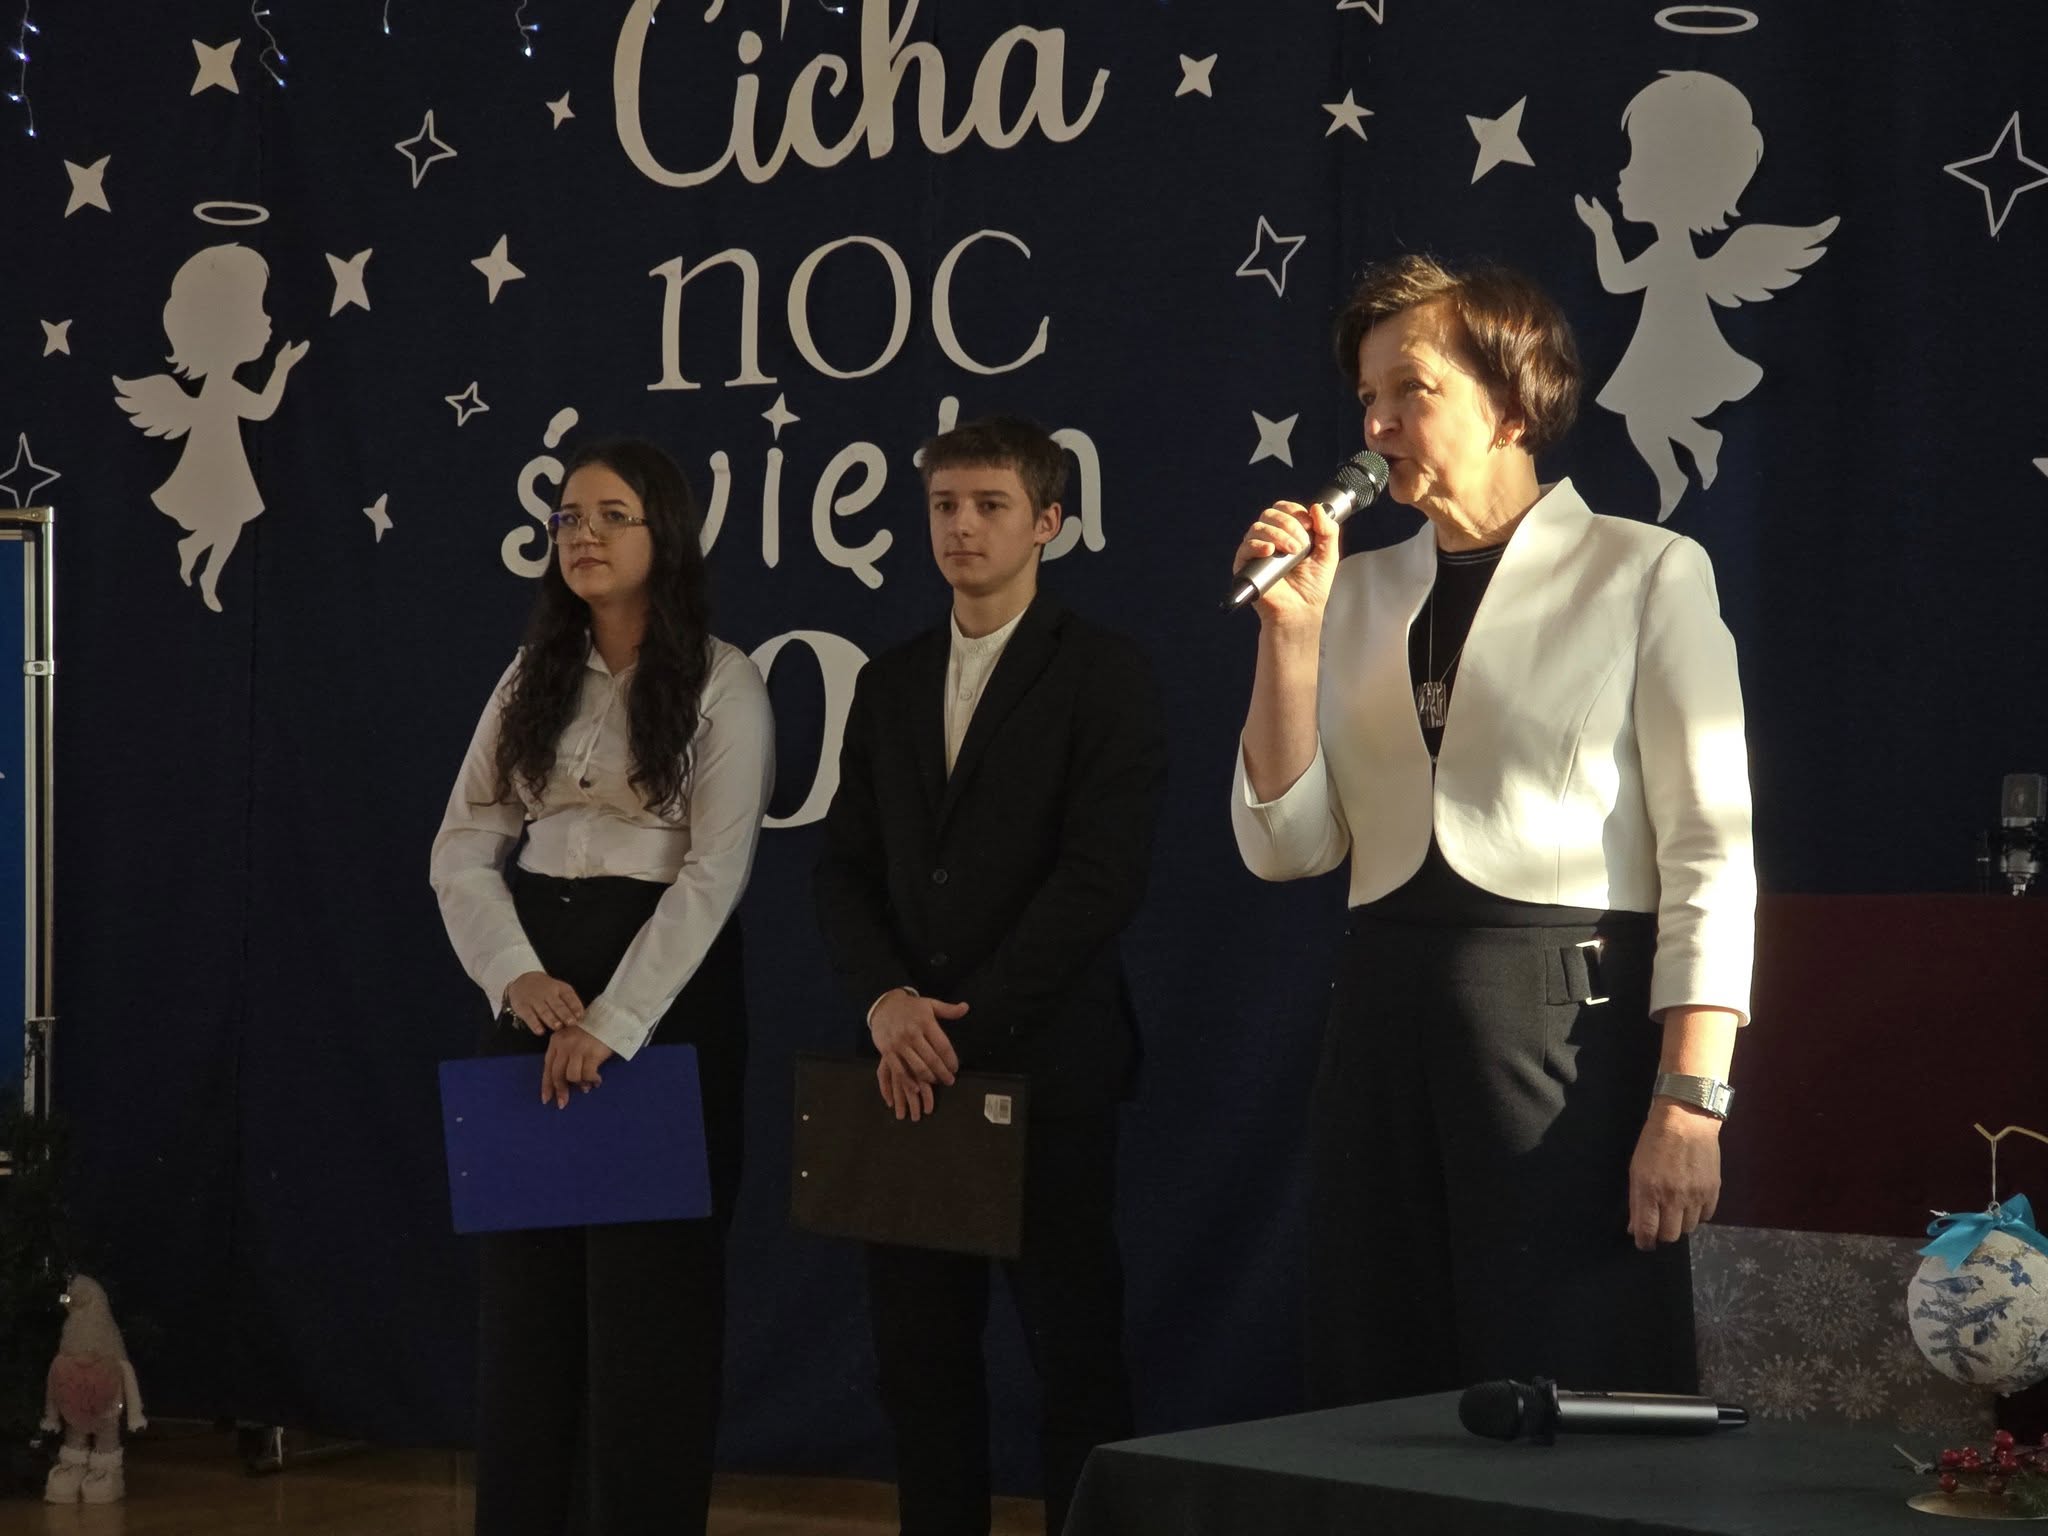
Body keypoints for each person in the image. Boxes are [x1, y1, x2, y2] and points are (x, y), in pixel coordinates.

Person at [1230, 255, 1755, 1407]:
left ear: (1513, 403)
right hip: (1379, 1022)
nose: (1375, 424)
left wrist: (1688, 1101)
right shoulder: (1349, 589)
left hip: (1564, 1029)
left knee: (1565, 1373)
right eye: (1366, 398)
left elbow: (1709, 853)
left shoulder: (1642, 570)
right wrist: (1289, 639)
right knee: (1378, 1377)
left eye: (1409, 390)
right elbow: (1285, 846)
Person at [814, 415, 1167, 1536]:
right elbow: (842, 868)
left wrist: (956, 1025)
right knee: (918, 1363)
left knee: (1075, 1358)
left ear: (1048, 522)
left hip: (1046, 1070)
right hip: (905, 1075)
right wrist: (888, 1005)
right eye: (943, 506)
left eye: (989, 505)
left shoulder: (1105, 673)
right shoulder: (889, 680)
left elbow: (1100, 880)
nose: (961, 527)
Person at [429, 438, 774, 1536]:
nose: (582, 536)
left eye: (610, 516)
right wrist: (515, 973)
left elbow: (715, 873)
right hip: (534, 989)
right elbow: (462, 844)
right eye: (568, 518)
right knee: (525, 1310)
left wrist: (615, 1023)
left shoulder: (723, 679)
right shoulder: (529, 674)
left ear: (662, 534)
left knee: (648, 1317)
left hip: (660, 998)